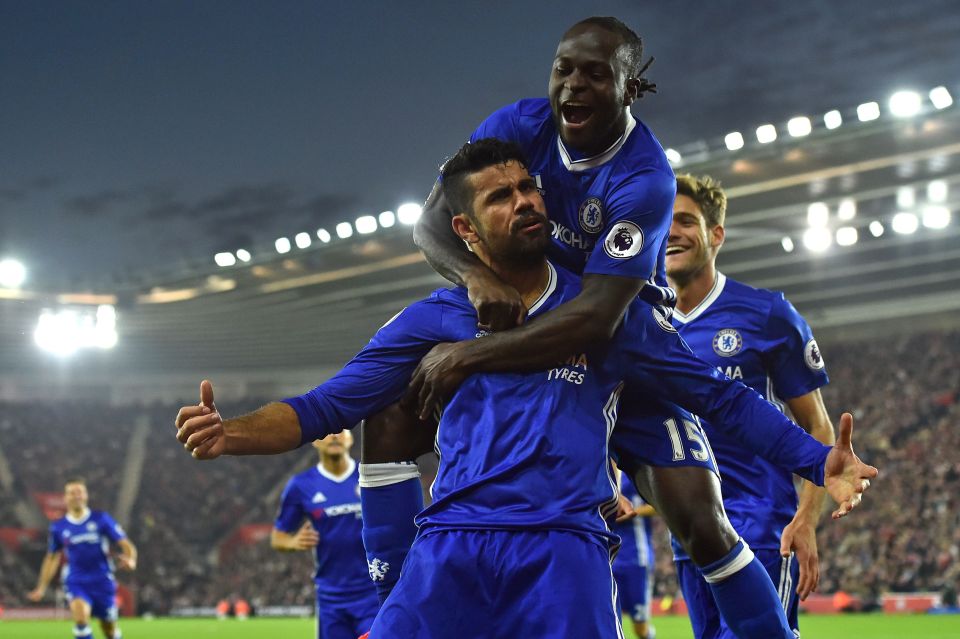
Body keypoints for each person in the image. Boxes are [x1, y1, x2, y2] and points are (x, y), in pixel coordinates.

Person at [174, 139, 877, 638]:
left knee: (701, 516)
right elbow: (323, 407)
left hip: (561, 546)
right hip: (450, 541)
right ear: (464, 231)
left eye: (527, 188)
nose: (525, 202)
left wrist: (819, 460)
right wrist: (229, 433)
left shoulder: (608, 311)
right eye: (500, 197)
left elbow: (718, 397)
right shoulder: (434, 317)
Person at [405, 15, 873, 637]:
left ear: (630, 85)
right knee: (390, 411)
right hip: (533, 320)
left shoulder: (644, 175)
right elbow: (432, 224)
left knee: (701, 520)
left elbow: (601, 319)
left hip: (615, 325)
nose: (573, 86)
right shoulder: (518, 125)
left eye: (595, 74)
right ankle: (387, 597)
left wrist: (818, 461)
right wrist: (476, 278)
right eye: (563, 69)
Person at [665, 174, 838, 638]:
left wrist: (806, 518)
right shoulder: (646, 324)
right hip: (687, 531)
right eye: (665, 221)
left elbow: (818, 426)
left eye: (686, 220)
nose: (672, 232)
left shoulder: (766, 314)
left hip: (759, 522)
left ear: (715, 234)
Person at [271, 430, 379, 639]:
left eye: (341, 430)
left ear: (350, 437)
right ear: (315, 440)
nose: (335, 436)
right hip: (331, 600)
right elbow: (278, 536)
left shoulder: (369, 476)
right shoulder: (300, 485)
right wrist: (292, 542)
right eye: (328, 431)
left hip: (371, 595)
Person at [27, 478, 137, 639]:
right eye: (72, 492)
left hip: (102, 580)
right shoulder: (59, 526)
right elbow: (52, 558)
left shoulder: (101, 519)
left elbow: (126, 544)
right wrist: (41, 587)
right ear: (65, 497)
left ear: (86, 495)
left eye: (80, 492)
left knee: (109, 629)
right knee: (80, 618)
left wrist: (131, 560)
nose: (76, 495)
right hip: (76, 579)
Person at [611, 475, 657, 639]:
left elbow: (659, 505)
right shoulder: (603, 469)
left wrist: (632, 511)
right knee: (608, 619)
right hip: (609, 559)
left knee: (640, 628)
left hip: (637, 558)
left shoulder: (636, 470)